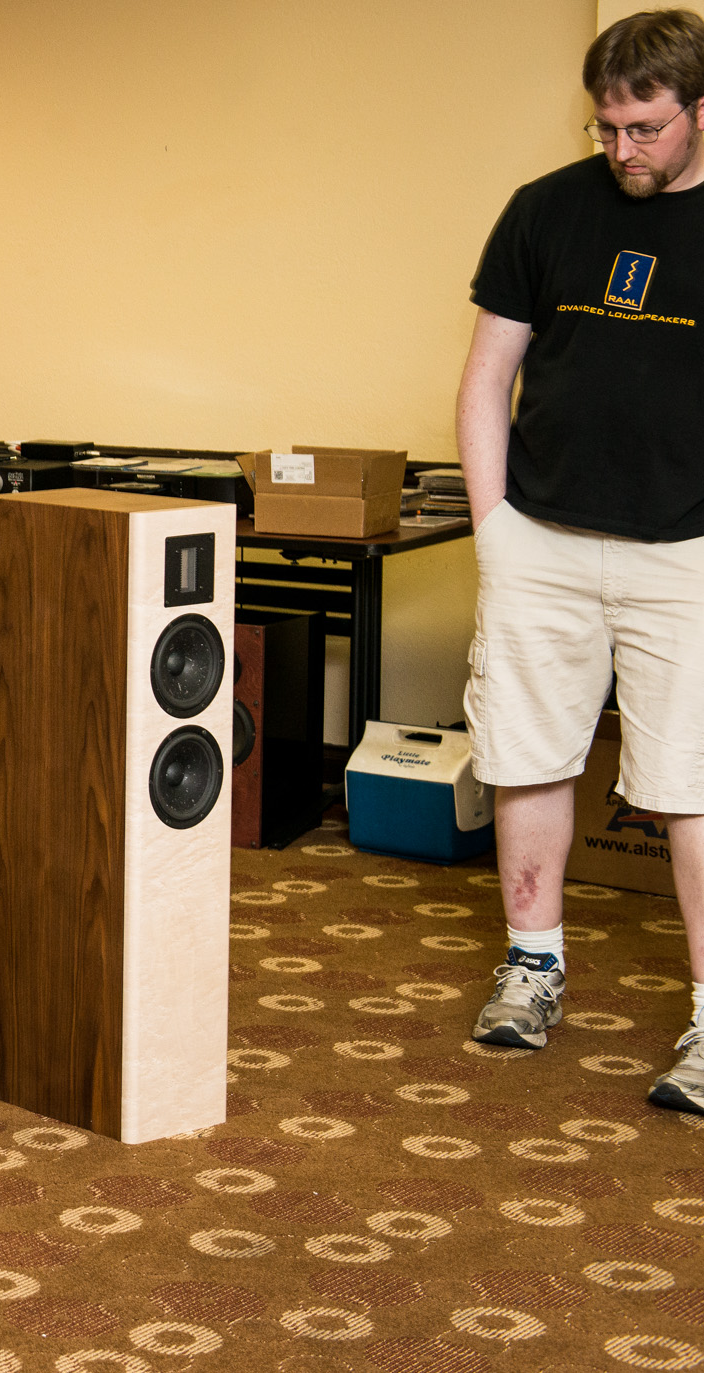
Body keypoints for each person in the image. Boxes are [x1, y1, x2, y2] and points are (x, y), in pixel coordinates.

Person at [456, 8, 704, 1115]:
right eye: (606, 127)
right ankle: (533, 963)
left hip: (685, 551)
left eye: (645, 128)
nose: (622, 149)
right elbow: (486, 377)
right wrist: (493, 526)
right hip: (541, 540)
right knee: (528, 754)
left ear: (701, 112)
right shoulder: (545, 208)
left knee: (691, 784)